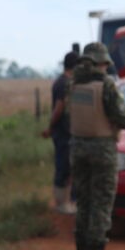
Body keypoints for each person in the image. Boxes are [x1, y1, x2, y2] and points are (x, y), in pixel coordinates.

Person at [67, 42, 125, 250]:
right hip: (102, 149)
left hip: (78, 147)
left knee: (84, 201)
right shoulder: (106, 85)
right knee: (102, 203)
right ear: (100, 63)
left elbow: (68, 114)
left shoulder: (73, 84)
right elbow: (124, 118)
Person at [41, 51, 79, 214]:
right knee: (63, 166)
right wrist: (50, 127)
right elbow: (59, 108)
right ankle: (61, 203)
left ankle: (66, 201)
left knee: (67, 166)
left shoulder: (62, 82)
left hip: (64, 131)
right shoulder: (64, 84)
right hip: (63, 132)